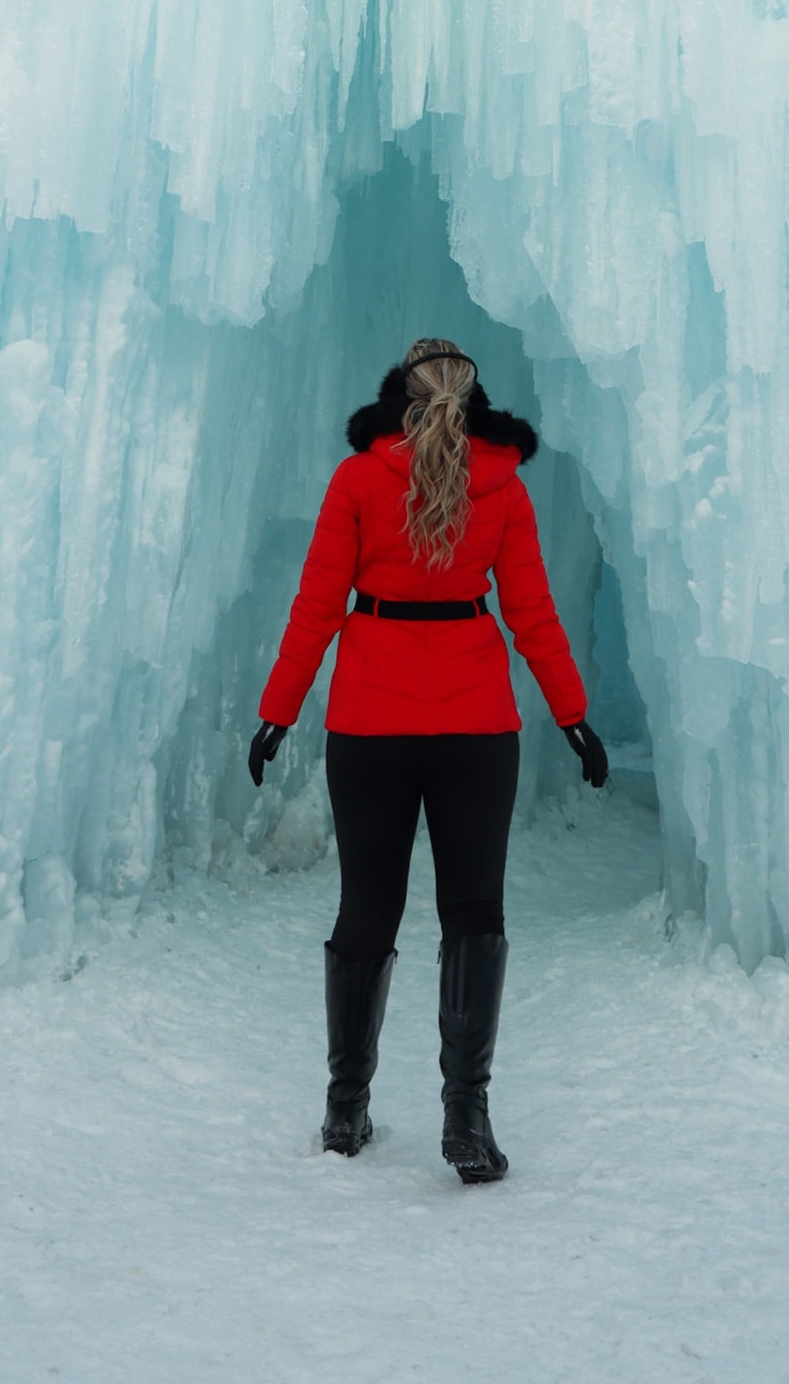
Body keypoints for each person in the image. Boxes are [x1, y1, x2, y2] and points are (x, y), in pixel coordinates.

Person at [248, 337, 609, 1183]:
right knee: (474, 913)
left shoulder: (359, 480)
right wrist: (574, 717)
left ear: (397, 396)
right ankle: (467, 1118)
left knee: (367, 908)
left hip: (370, 721)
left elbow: (316, 607)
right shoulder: (505, 488)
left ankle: (345, 1110)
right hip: (476, 727)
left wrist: (277, 713)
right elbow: (532, 614)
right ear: (474, 401)